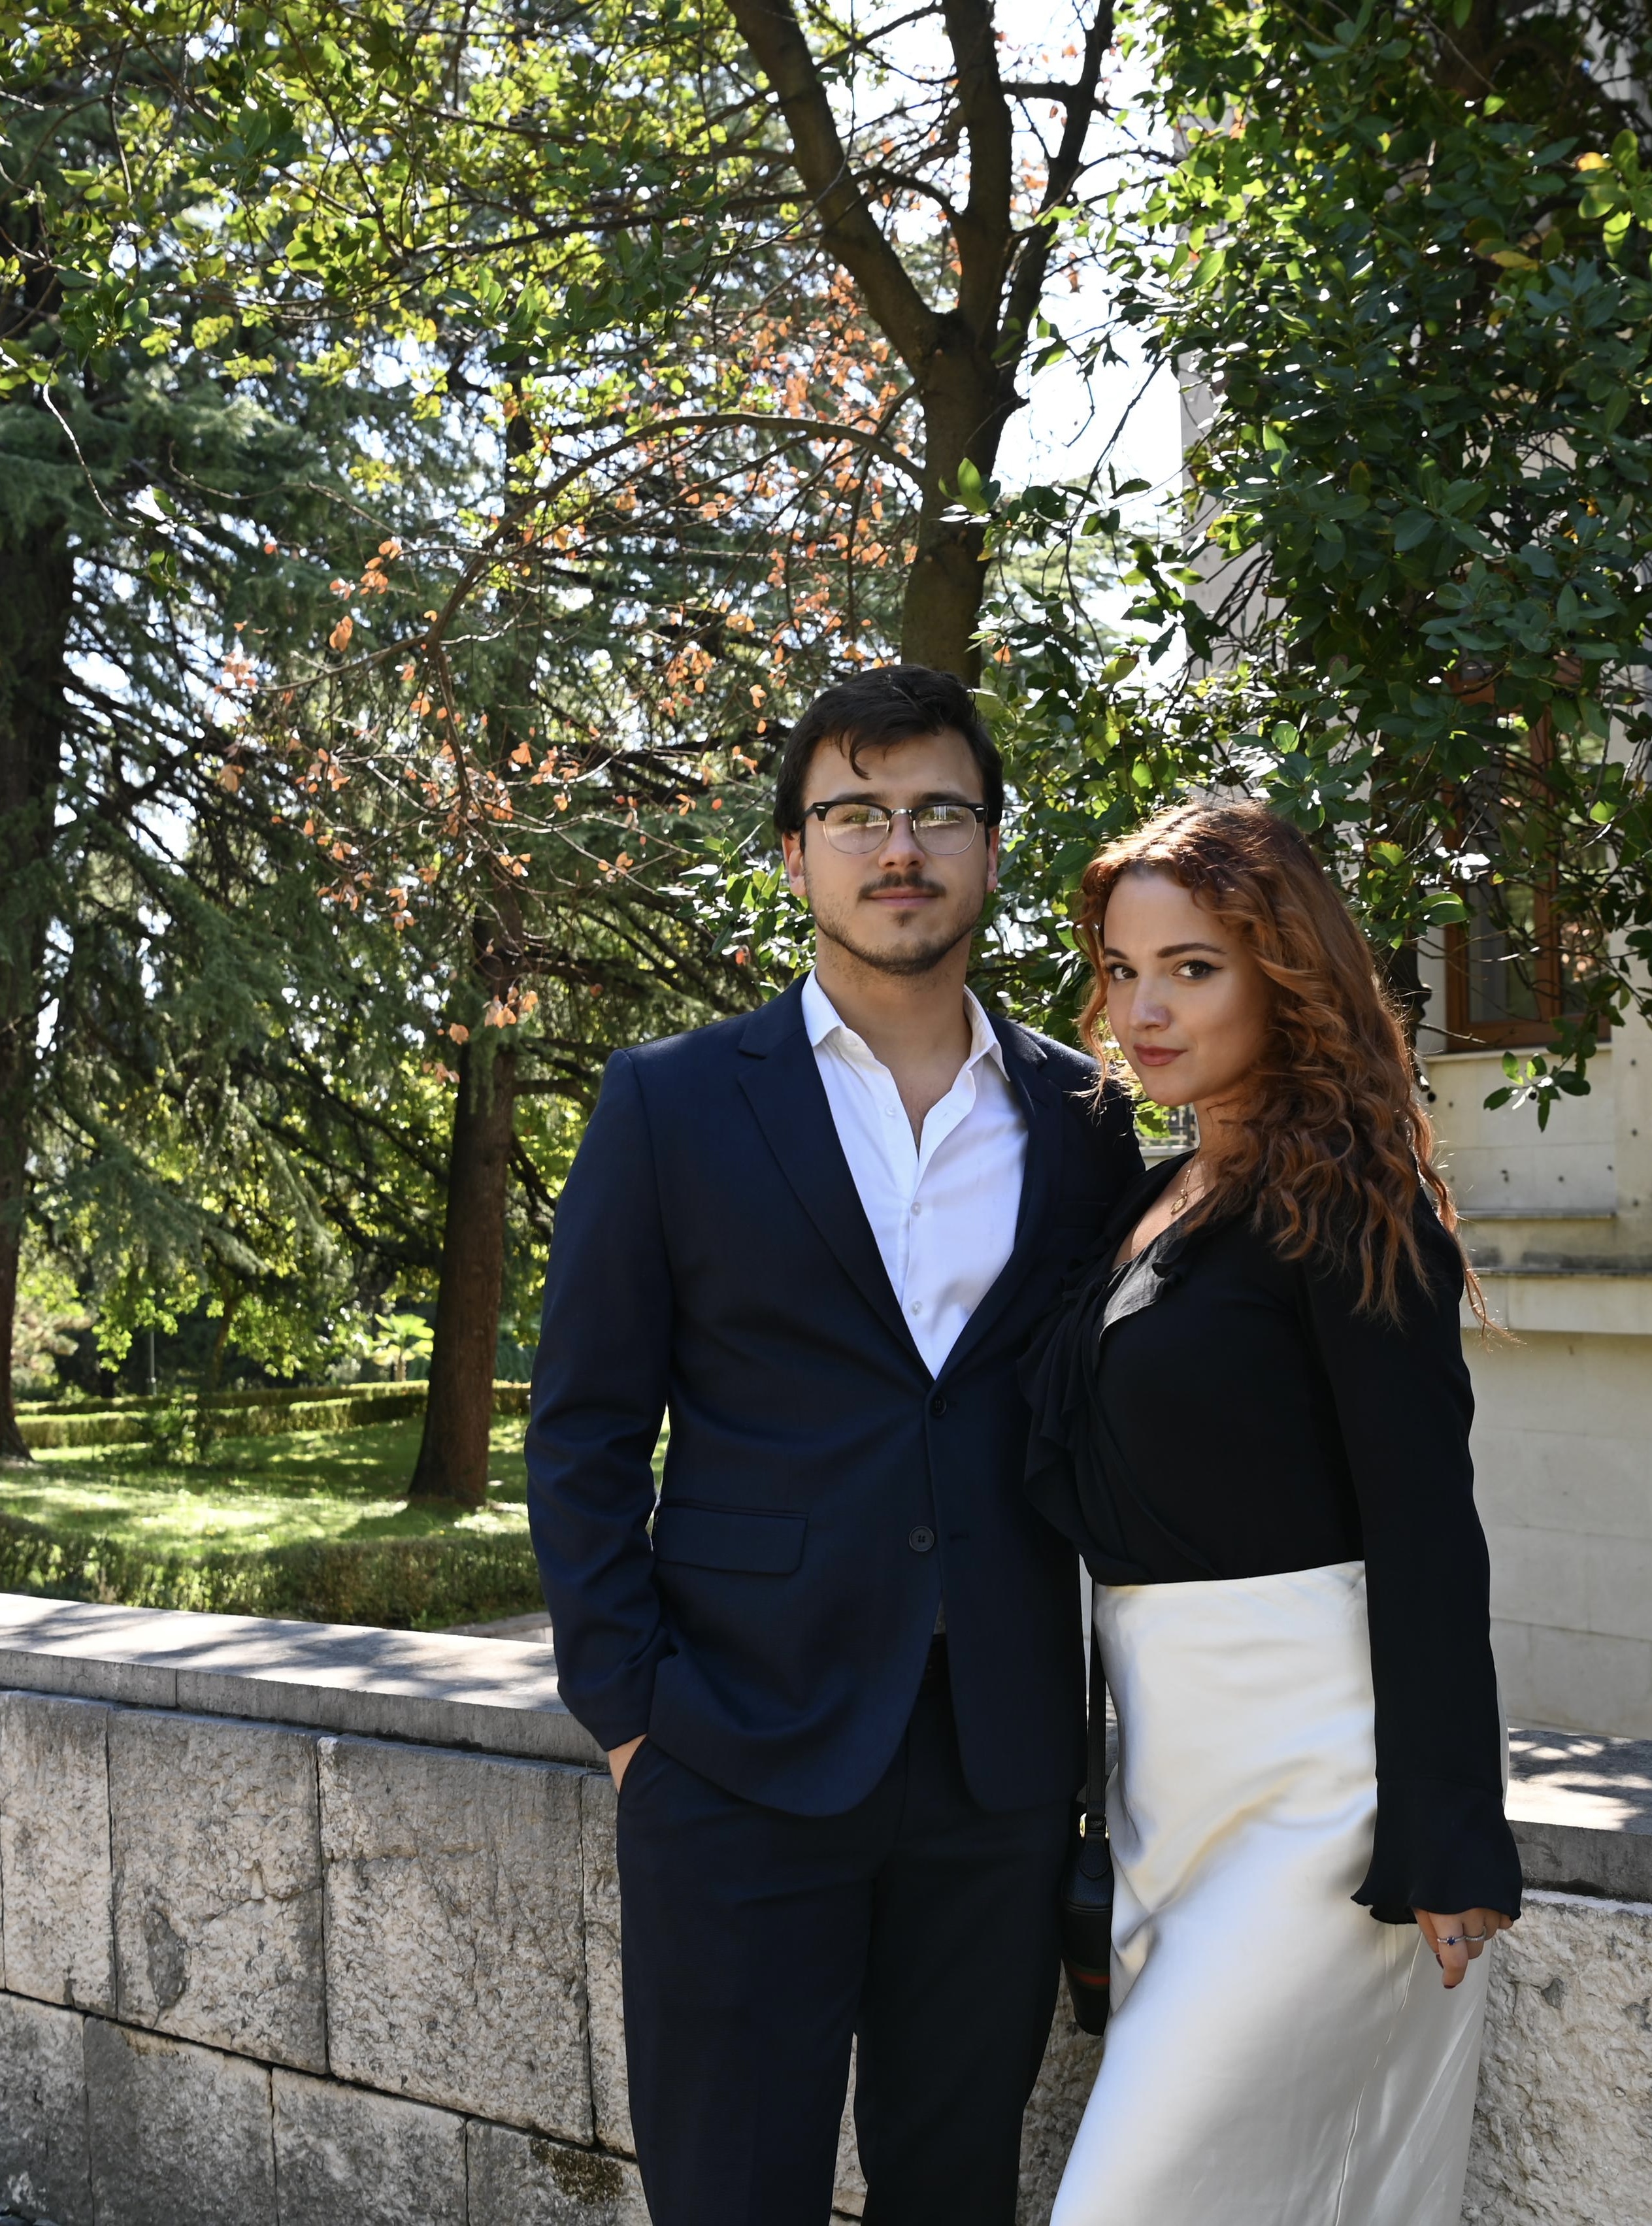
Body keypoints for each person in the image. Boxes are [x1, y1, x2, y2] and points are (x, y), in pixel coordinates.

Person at [525, 665, 1146, 2226]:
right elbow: (584, 1423)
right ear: (796, 852)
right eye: (855, 813)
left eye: (937, 810)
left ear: (990, 846)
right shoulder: (669, 1102)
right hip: (732, 1743)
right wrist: (628, 1710)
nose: (899, 847)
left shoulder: (1084, 1116)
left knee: (955, 2190)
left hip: (997, 1763)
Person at [1022, 799, 1523, 2226]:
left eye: (1192, 968)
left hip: (1321, 1796)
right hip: (1163, 1781)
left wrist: (1448, 1825)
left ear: (1284, 972)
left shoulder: (1355, 1203)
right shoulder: (1148, 1198)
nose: (1145, 1011)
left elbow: (1427, 1520)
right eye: (1122, 971)